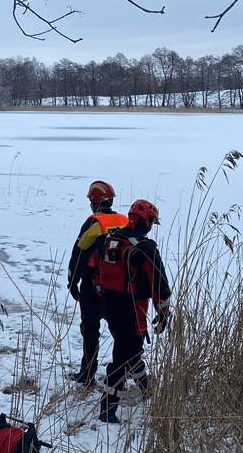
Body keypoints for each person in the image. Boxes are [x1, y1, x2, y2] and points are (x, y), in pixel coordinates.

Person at [92, 199, 172, 423]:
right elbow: (160, 286)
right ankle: (107, 412)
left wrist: (104, 300)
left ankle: (147, 390)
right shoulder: (145, 248)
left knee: (133, 350)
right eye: (152, 222)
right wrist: (164, 313)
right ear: (146, 221)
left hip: (108, 306)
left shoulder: (107, 238)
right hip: (132, 311)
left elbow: (95, 272)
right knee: (121, 359)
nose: (151, 226)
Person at [66, 181, 128, 387]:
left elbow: (79, 253)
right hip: (120, 287)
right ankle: (127, 370)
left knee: (90, 330)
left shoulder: (94, 223)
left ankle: (87, 375)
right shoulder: (124, 220)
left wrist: (72, 283)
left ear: (93, 202)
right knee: (120, 332)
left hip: (93, 286)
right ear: (110, 200)